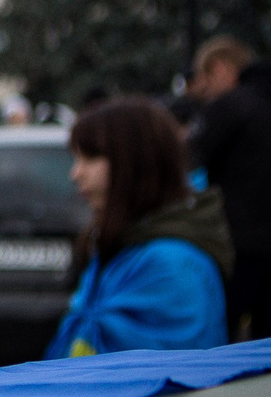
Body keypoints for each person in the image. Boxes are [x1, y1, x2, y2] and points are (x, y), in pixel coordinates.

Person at [51, 97, 231, 356]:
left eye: (90, 158)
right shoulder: (127, 244)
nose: (75, 174)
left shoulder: (170, 264)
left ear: (135, 161)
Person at [185, 35, 271, 341]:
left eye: (205, 78)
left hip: (238, 242)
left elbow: (190, 158)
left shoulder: (231, 106)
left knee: (221, 337)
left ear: (221, 69)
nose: (203, 90)